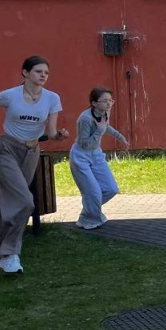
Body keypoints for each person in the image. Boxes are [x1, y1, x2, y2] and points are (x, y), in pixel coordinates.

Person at [0, 55, 69, 274]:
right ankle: (9, 254)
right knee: (24, 201)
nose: (43, 75)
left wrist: (59, 136)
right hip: (6, 150)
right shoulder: (9, 95)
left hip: (31, 152)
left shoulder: (52, 98)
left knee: (8, 203)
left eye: (46, 72)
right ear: (25, 73)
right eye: (38, 71)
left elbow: (52, 132)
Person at [70, 87, 129, 230]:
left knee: (111, 189)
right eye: (105, 101)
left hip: (96, 153)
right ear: (94, 103)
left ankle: (87, 214)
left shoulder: (105, 112)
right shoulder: (85, 118)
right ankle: (89, 220)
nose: (109, 104)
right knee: (93, 192)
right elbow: (84, 143)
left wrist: (120, 137)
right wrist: (99, 130)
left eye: (111, 101)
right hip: (81, 155)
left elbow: (105, 126)